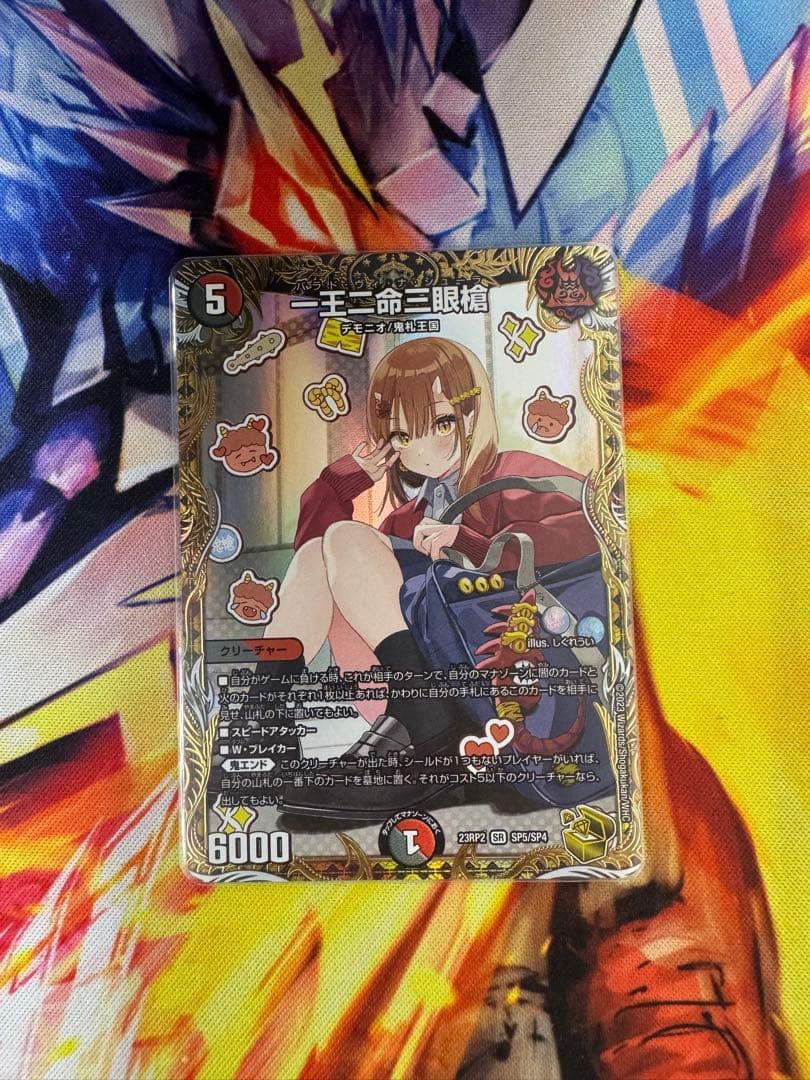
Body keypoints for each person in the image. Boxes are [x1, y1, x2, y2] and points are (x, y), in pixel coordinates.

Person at [265, 336, 598, 817]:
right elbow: (312, 555)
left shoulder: (514, 476)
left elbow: (595, 525)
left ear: (471, 416)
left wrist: (474, 544)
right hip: (414, 691)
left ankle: (427, 726)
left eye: (440, 423)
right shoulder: (408, 518)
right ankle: (264, 718)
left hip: (499, 684)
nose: (421, 449)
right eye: (402, 436)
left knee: (345, 540)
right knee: (328, 547)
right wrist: (343, 481)